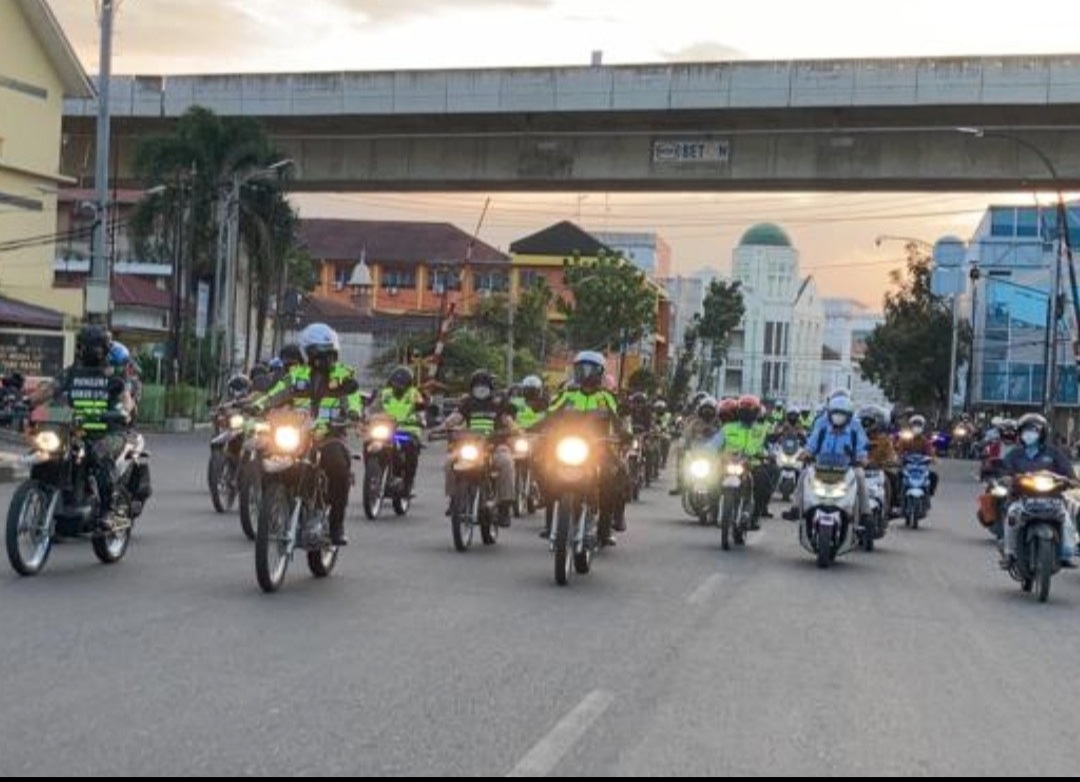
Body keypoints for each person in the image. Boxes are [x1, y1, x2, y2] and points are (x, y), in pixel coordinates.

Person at [249, 323, 361, 546]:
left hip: (329, 434)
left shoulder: (344, 376)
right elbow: (276, 393)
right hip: (298, 433)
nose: (323, 358)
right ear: (307, 353)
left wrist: (353, 412)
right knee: (268, 457)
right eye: (317, 352)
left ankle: (336, 524)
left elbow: (353, 397)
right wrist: (257, 405)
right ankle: (272, 507)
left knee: (339, 467)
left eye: (328, 352)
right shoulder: (296, 375)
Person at [38, 325, 148, 523]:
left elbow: (126, 398)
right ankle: (47, 500)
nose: (89, 351)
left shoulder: (114, 373)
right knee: (48, 453)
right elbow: (50, 389)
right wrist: (25, 402)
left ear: (105, 348)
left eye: (95, 347)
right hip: (77, 431)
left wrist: (125, 410)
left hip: (109, 433)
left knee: (100, 454)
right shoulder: (73, 371)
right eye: (85, 346)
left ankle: (108, 511)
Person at [543, 351, 630, 545]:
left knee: (616, 475)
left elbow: (617, 421)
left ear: (600, 372)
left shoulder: (606, 397)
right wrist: (535, 430)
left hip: (598, 448)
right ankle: (550, 524)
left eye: (591, 369)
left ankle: (606, 527)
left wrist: (624, 434)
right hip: (567, 445)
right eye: (582, 368)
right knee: (546, 472)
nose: (586, 373)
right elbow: (549, 415)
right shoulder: (567, 394)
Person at [432, 370, 518, 527]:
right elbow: (455, 418)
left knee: (506, 462)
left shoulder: (499, 402)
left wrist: (516, 430)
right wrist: (440, 428)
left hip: (495, 446)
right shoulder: (467, 403)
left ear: (491, 388)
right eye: (477, 386)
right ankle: (454, 501)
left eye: (484, 386)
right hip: (472, 445)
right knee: (450, 462)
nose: (481, 390)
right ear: (471, 388)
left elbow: (508, 420)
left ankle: (505, 507)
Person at [999, 413, 1078, 570]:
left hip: (1052, 499)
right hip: (1021, 498)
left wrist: (1070, 481)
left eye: (1033, 430)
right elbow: (1003, 471)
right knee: (1011, 518)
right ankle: (1009, 554)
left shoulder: (1054, 453)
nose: (1029, 434)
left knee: (1067, 522)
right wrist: (1006, 478)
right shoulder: (1015, 454)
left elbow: (1070, 476)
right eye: (1025, 430)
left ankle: (1066, 554)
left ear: (1042, 433)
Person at [783, 394, 870, 526]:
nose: (838, 418)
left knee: (860, 475)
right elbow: (811, 445)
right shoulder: (822, 426)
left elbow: (861, 448)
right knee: (804, 474)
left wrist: (862, 458)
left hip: (847, 468)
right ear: (829, 414)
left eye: (842, 415)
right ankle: (795, 508)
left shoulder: (855, 428)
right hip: (822, 466)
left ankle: (865, 514)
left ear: (849, 416)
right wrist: (806, 453)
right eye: (835, 414)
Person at [716, 394, 775, 527]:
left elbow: (770, 446)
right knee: (709, 477)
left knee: (763, 483)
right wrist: (706, 451)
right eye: (743, 410)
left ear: (756, 412)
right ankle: (713, 509)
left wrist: (770, 455)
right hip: (729, 463)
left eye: (750, 410)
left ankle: (755, 515)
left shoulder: (762, 430)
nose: (746, 413)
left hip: (752, 465)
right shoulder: (728, 428)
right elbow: (715, 443)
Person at [367, 365, 426, 497]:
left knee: (411, 448)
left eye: (402, 383)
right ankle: (373, 474)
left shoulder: (414, 394)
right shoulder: (384, 394)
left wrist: (421, 420)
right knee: (368, 443)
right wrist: (367, 417)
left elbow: (421, 411)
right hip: (386, 429)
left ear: (409, 384)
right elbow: (372, 408)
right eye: (396, 382)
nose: (398, 386)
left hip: (408, 430)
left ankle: (408, 483)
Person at [670, 396, 724, 496]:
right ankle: (681, 484)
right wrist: (683, 445)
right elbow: (686, 436)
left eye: (710, 410)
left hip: (712, 456)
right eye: (705, 409)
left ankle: (720, 486)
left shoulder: (719, 424)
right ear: (700, 410)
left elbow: (723, 438)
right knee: (682, 460)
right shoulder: (694, 423)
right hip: (696, 454)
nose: (707, 412)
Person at [860, 404, 900, 515]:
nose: (866, 424)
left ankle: (893, 505)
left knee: (891, 478)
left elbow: (891, 455)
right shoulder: (857, 437)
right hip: (859, 469)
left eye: (869, 421)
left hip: (879, 470)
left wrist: (891, 461)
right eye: (864, 420)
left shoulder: (885, 440)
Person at [896, 413, 939, 497]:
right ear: (911, 426)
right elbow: (899, 451)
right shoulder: (905, 439)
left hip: (920, 467)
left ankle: (928, 494)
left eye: (919, 425)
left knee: (934, 476)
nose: (916, 427)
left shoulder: (925, 440)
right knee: (899, 475)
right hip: (908, 466)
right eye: (915, 424)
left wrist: (933, 459)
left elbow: (930, 452)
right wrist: (899, 458)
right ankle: (899, 495)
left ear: (922, 427)